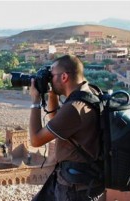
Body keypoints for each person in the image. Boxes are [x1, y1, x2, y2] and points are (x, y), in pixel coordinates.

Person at [29, 55, 105, 201]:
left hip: (75, 189)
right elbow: (57, 123)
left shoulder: (75, 108)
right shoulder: (88, 93)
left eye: (51, 76)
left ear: (64, 77)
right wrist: (52, 94)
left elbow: (36, 140)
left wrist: (35, 101)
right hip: (81, 179)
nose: (50, 79)